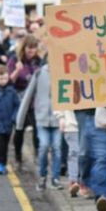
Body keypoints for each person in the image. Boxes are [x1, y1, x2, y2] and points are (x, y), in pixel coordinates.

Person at [18, 60, 62, 191]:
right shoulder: (39, 73)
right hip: (42, 119)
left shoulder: (63, 72)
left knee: (57, 148)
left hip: (58, 119)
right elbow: (28, 96)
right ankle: (42, 177)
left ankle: (55, 178)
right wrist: (20, 122)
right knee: (43, 146)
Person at [8, 34, 42, 170]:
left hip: (34, 99)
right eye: (29, 48)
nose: (31, 51)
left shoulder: (38, 61)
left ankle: (37, 156)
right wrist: (17, 70)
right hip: (19, 99)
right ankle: (18, 158)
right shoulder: (15, 59)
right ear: (24, 47)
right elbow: (10, 80)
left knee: (37, 127)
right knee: (19, 129)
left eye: (33, 48)